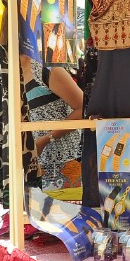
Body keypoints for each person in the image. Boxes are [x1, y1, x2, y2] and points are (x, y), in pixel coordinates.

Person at [20, 52, 83, 195]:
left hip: (67, 162)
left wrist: (46, 139)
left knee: (66, 214)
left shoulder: (45, 68)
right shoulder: (11, 76)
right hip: (36, 167)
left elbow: (83, 108)